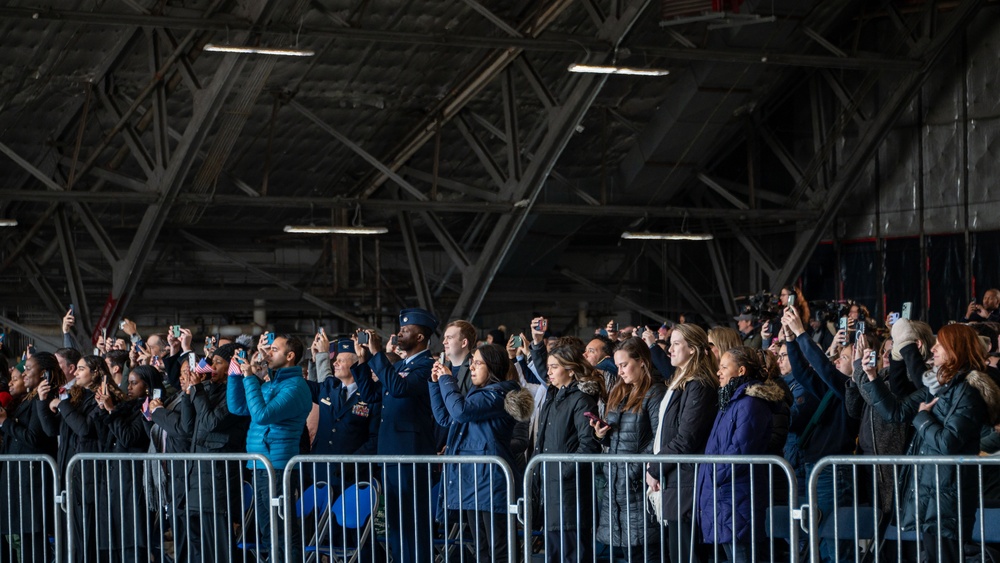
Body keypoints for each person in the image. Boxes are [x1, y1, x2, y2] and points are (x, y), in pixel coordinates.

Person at [861, 323, 1000, 563]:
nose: (933, 349)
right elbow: (896, 411)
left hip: (949, 494)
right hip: (931, 491)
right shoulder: (940, 386)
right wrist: (872, 377)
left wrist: (923, 418)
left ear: (955, 349)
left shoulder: (968, 391)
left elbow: (948, 443)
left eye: (940, 344)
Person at [429, 344, 533, 563]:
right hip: (474, 480)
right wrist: (435, 383)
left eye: (477, 363)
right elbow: (446, 418)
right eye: (471, 363)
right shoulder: (479, 395)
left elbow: (461, 411)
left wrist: (448, 381)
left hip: (492, 481)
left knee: (500, 547)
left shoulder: (500, 394)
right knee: (482, 547)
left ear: (493, 366)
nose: (472, 368)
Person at [352, 308, 439, 563]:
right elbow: (371, 395)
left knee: (413, 521)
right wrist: (363, 360)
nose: (399, 333)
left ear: (421, 337)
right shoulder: (400, 365)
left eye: (405, 330)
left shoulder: (427, 366)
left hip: (412, 453)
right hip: (390, 451)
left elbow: (399, 388)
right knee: (396, 522)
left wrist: (379, 353)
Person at [696, 346, 786, 563]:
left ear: (741, 371)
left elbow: (740, 452)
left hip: (736, 497)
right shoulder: (732, 402)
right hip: (726, 496)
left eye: (724, 367)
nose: (719, 372)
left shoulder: (751, 404)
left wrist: (712, 478)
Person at [230, 334, 312, 561]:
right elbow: (237, 407)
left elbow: (262, 415)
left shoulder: (295, 386)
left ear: (290, 356)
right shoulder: (271, 382)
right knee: (268, 530)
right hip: (260, 462)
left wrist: (249, 376)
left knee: (281, 530)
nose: (268, 353)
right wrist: (236, 373)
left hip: (277, 465)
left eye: (274, 349)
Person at [646, 324, 719, 563]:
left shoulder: (699, 384)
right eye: (671, 343)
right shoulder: (682, 380)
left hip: (686, 479)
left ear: (693, 350)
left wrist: (655, 467)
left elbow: (686, 438)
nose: (670, 349)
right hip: (676, 477)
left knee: (686, 554)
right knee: (677, 552)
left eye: (677, 343)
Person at [592, 338, 666, 563]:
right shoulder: (618, 391)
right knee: (628, 552)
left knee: (647, 552)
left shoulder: (655, 393)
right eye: (617, 366)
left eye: (624, 365)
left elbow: (658, 440)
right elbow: (618, 439)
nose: (620, 371)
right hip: (617, 484)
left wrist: (633, 468)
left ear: (642, 362)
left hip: (637, 485)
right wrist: (601, 435)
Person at [532, 342, 604, 563]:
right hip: (551, 489)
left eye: (554, 367)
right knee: (554, 552)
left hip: (570, 491)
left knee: (573, 553)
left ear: (570, 370)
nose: (549, 372)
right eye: (549, 367)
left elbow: (589, 445)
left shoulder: (581, 400)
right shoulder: (554, 397)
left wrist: (564, 472)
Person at [36, 354, 105, 561]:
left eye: (82, 369)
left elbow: (84, 428)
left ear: (96, 373)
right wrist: (42, 402)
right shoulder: (76, 396)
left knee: (86, 538)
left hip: (88, 478)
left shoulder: (100, 397)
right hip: (69, 475)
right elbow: (51, 429)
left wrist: (62, 404)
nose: (75, 373)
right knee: (70, 539)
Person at [0, 353, 60, 563]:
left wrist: (5, 423)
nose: (24, 373)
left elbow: (34, 438)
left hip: (32, 482)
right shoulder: (25, 400)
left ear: (43, 373)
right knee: (22, 540)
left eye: (28, 368)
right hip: (18, 480)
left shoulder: (42, 401)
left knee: (33, 543)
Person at [95, 364, 158, 562]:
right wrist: (104, 411)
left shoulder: (147, 409)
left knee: (132, 535)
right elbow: (106, 435)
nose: (128, 387)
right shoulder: (124, 406)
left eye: (134, 383)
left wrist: (112, 410)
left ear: (147, 387)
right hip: (115, 477)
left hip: (133, 479)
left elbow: (129, 437)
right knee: (113, 537)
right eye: (128, 383)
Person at [308, 338, 381, 483]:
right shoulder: (328, 386)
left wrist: (352, 462)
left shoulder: (372, 394)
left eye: (340, 360)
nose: (334, 363)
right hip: (321, 471)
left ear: (355, 364)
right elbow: (297, 384)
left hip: (352, 474)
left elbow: (375, 438)